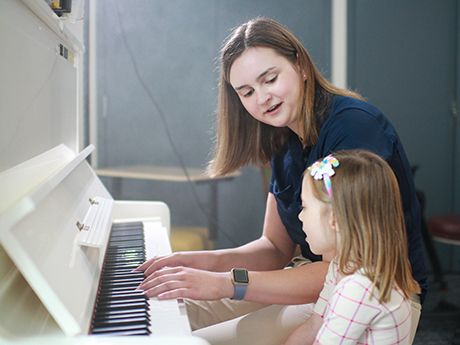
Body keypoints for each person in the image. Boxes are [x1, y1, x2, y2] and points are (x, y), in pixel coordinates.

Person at [136, 17, 427, 344]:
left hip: (361, 287)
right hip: (307, 277)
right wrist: (197, 263)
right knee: (169, 315)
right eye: (246, 92)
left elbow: (348, 263)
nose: (261, 98)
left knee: (193, 339)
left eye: (270, 79)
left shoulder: (354, 126)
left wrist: (227, 283)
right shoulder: (282, 140)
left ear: (300, 64)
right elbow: (274, 247)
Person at [284, 150, 421, 345]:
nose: (300, 217)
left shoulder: (359, 286)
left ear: (335, 220)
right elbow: (313, 326)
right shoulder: (341, 265)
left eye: (304, 207)